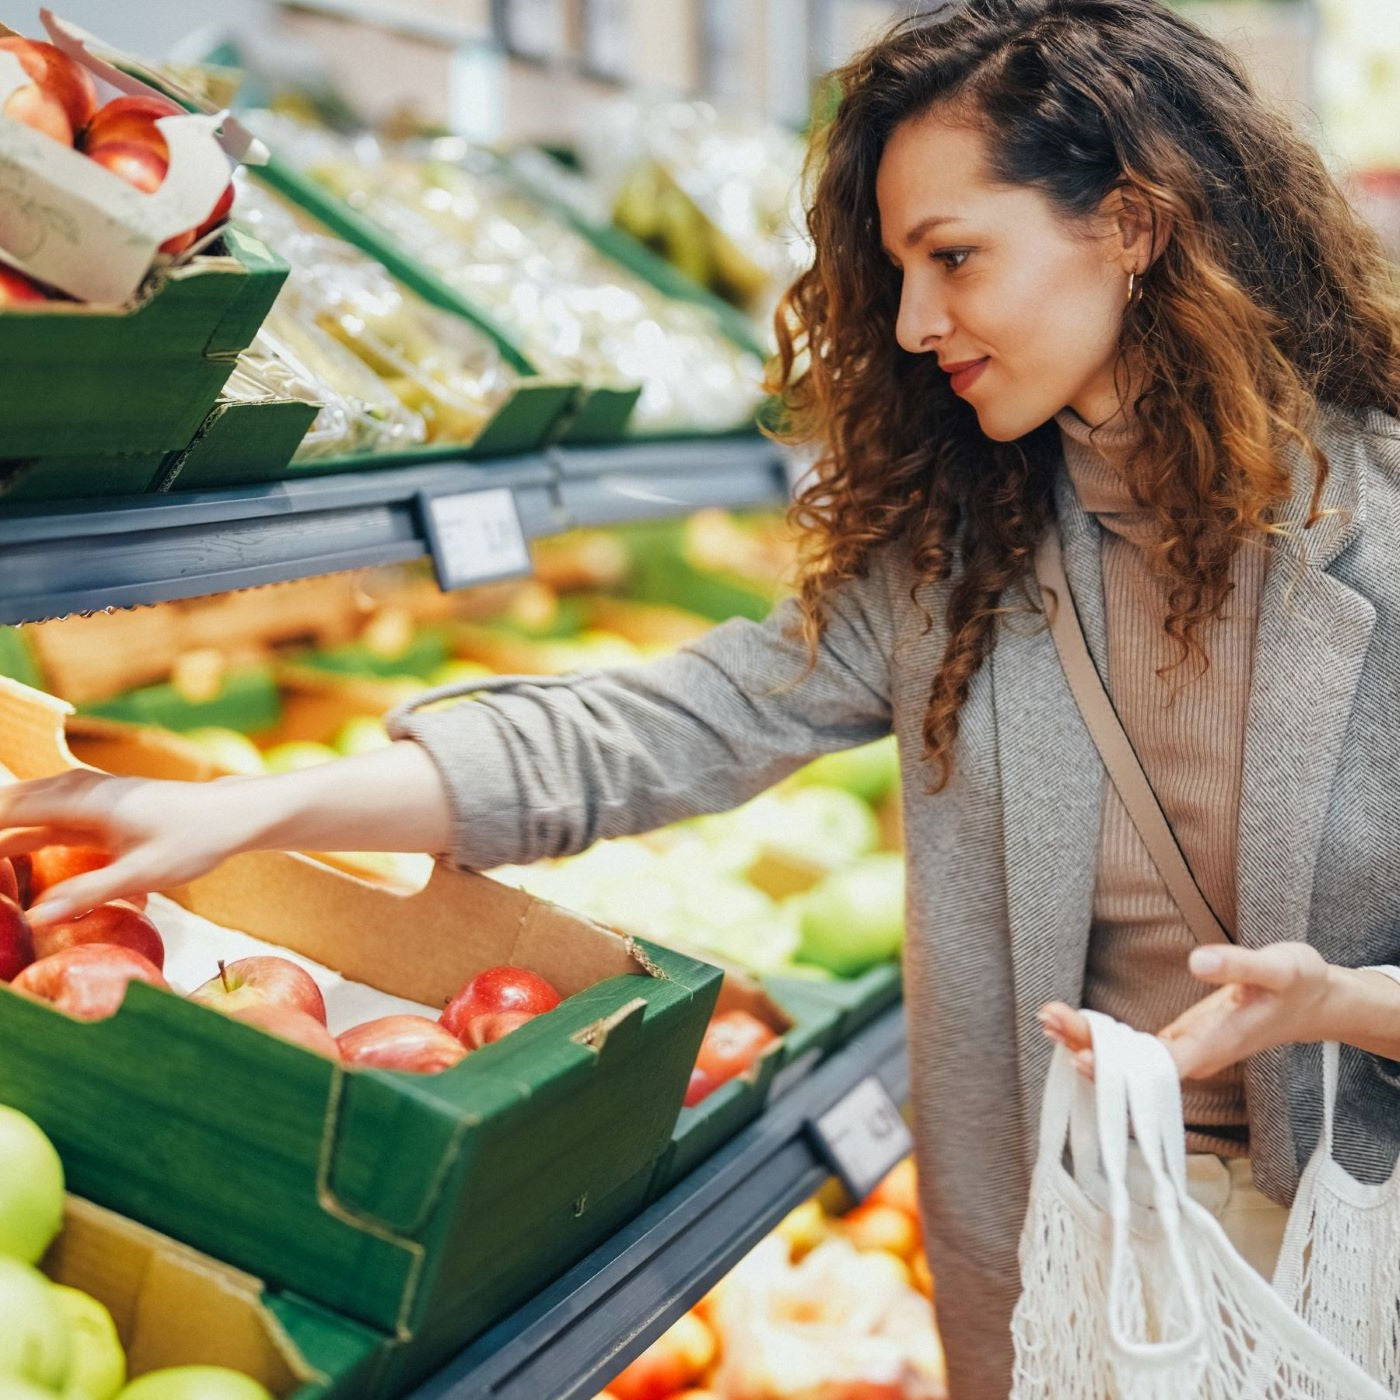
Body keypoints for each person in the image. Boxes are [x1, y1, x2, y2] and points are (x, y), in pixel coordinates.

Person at [4, 0, 1400, 1393]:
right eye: (898, 271)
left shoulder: (1379, 533)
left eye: (955, 258)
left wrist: (1337, 1003)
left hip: (1354, 1243)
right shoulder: (967, 557)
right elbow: (664, 727)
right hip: (1083, 1253)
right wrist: (255, 807)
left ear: (1135, 226)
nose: (915, 323)